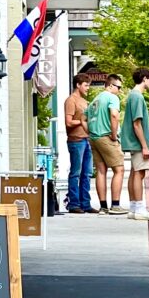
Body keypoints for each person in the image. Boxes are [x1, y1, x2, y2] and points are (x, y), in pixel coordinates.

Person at [85, 74, 128, 214]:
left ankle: (103, 206)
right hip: (107, 137)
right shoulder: (112, 98)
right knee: (119, 169)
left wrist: (90, 131)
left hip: (95, 138)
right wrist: (114, 135)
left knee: (101, 171)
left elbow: (82, 118)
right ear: (110, 85)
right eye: (118, 87)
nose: (120, 91)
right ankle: (115, 205)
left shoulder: (94, 100)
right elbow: (114, 115)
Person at [120, 67, 149, 220]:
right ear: (144, 78)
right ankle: (139, 208)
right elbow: (137, 123)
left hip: (132, 142)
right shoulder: (137, 96)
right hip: (137, 143)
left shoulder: (133, 95)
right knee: (139, 174)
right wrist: (144, 146)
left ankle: (134, 207)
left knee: (134, 173)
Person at [63, 74, 95, 213]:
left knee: (87, 173)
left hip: (87, 140)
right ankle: (73, 204)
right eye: (86, 85)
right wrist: (82, 122)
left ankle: (85, 204)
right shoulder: (71, 101)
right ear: (78, 85)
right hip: (76, 140)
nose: (88, 88)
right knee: (76, 172)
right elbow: (68, 122)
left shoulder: (84, 101)